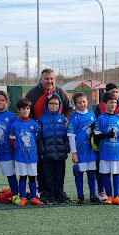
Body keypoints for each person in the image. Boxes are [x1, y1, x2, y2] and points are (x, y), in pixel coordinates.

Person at [25, 68, 74, 198]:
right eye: (46, 79)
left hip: (58, 136)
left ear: (55, 80)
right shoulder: (33, 94)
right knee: (42, 165)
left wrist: (67, 120)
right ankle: (44, 190)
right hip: (41, 136)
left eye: (51, 78)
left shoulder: (61, 92)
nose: (49, 81)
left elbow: (70, 109)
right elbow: (26, 112)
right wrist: (35, 125)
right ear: (41, 80)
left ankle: (59, 191)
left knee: (59, 166)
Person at [94, 83, 119, 200]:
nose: (113, 104)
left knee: (118, 174)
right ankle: (108, 195)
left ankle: (118, 195)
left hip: (118, 152)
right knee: (105, 174)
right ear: (105, 104)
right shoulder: (100, 117)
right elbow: (96, 136)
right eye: (111, 102)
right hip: (105, 152)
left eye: (114, 102)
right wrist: (106, 135)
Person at [67, 92, 102, 204]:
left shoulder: (92, 114)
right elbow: (71, 136)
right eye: (79, 102)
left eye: (84, 101)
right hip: (81, 151)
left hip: (91, 150)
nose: (82, 104)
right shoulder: (74, 118)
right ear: (75, 105)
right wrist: (74, 153)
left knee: (92, 173)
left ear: (87, 102)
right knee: (79, 173)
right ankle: (80, 195)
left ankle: (93, 194)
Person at [37, 93, 71, 204]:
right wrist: (42, 149)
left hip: (61, 153)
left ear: (59, 105)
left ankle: (60, 194)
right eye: (51, 104)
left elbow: (66, 135)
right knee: (49, 176)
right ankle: (51, 196)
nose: (54, 106)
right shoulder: (41, 119)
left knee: (60, 175)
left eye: (56, 104)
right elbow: (40, 136)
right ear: (47, 105)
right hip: (47, 154)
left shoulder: (62, 119)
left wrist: (66, 148)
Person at [9, 98, 43, 207]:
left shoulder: (34, 124)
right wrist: (19, 149)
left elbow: (36, 139)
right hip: (20, 157)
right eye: (23, 109)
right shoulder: (15, 125)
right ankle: (23, 197)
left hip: (32, 156)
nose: (26, 111)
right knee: (22, 177)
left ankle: (33, 197)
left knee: (32, 177)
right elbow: (12, 140)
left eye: (27, 108)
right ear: (18, 110)